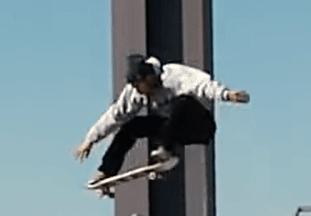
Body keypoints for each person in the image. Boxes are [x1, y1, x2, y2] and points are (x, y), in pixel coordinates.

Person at [73, 54, 249, 195]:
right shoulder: (136, 93)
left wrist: (227, 95)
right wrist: (90, 140)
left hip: (199, 125)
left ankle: (164, 151)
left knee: (181, 103)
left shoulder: (175, 75)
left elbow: (204, 86)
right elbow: (115, 115)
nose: (140, 93)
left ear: (150, 77)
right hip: (170, 128)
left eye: (141, 86)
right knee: (130, 127)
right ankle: (107, 170)